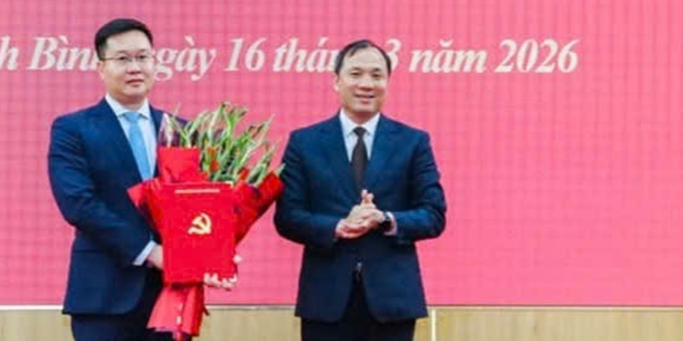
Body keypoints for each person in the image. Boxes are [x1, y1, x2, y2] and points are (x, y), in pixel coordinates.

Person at [48, 18, 231, 341]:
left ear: (155, 63)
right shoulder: (72, 129)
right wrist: (151, 252)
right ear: (101, 68)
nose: (135, 67)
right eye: (123, 59)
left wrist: (212, 255)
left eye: (143, 57)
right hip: (104, 296)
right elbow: (79, 204)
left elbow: (198, 206)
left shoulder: (182, 130)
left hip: (171, 295)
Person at [274, 39, 447, 341]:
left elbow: (433, 214)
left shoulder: (413, 142)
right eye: (355, 74)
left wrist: (385, 219)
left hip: (392, 302)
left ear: (387, 83)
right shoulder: (304, 142)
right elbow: (287, 216)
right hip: (326, 300)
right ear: (336, 81)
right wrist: (338, 226)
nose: (366, 84)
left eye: (376, 75)